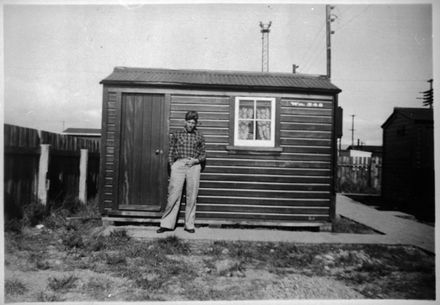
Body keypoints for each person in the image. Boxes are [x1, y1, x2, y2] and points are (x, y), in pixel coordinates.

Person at [156, 111, 206, 234]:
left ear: (196, 124)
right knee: (174, 194)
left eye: (193, 123)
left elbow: (203, 154)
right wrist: (173, 165)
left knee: (192, 195)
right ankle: (167, 224)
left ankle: (189, 225)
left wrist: (196, 160)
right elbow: (171, 151)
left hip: (193, 166)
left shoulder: (199, 136)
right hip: (179, 165)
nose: (191, 124)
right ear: (185, 122)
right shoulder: (177, 134)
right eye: (189, 122)